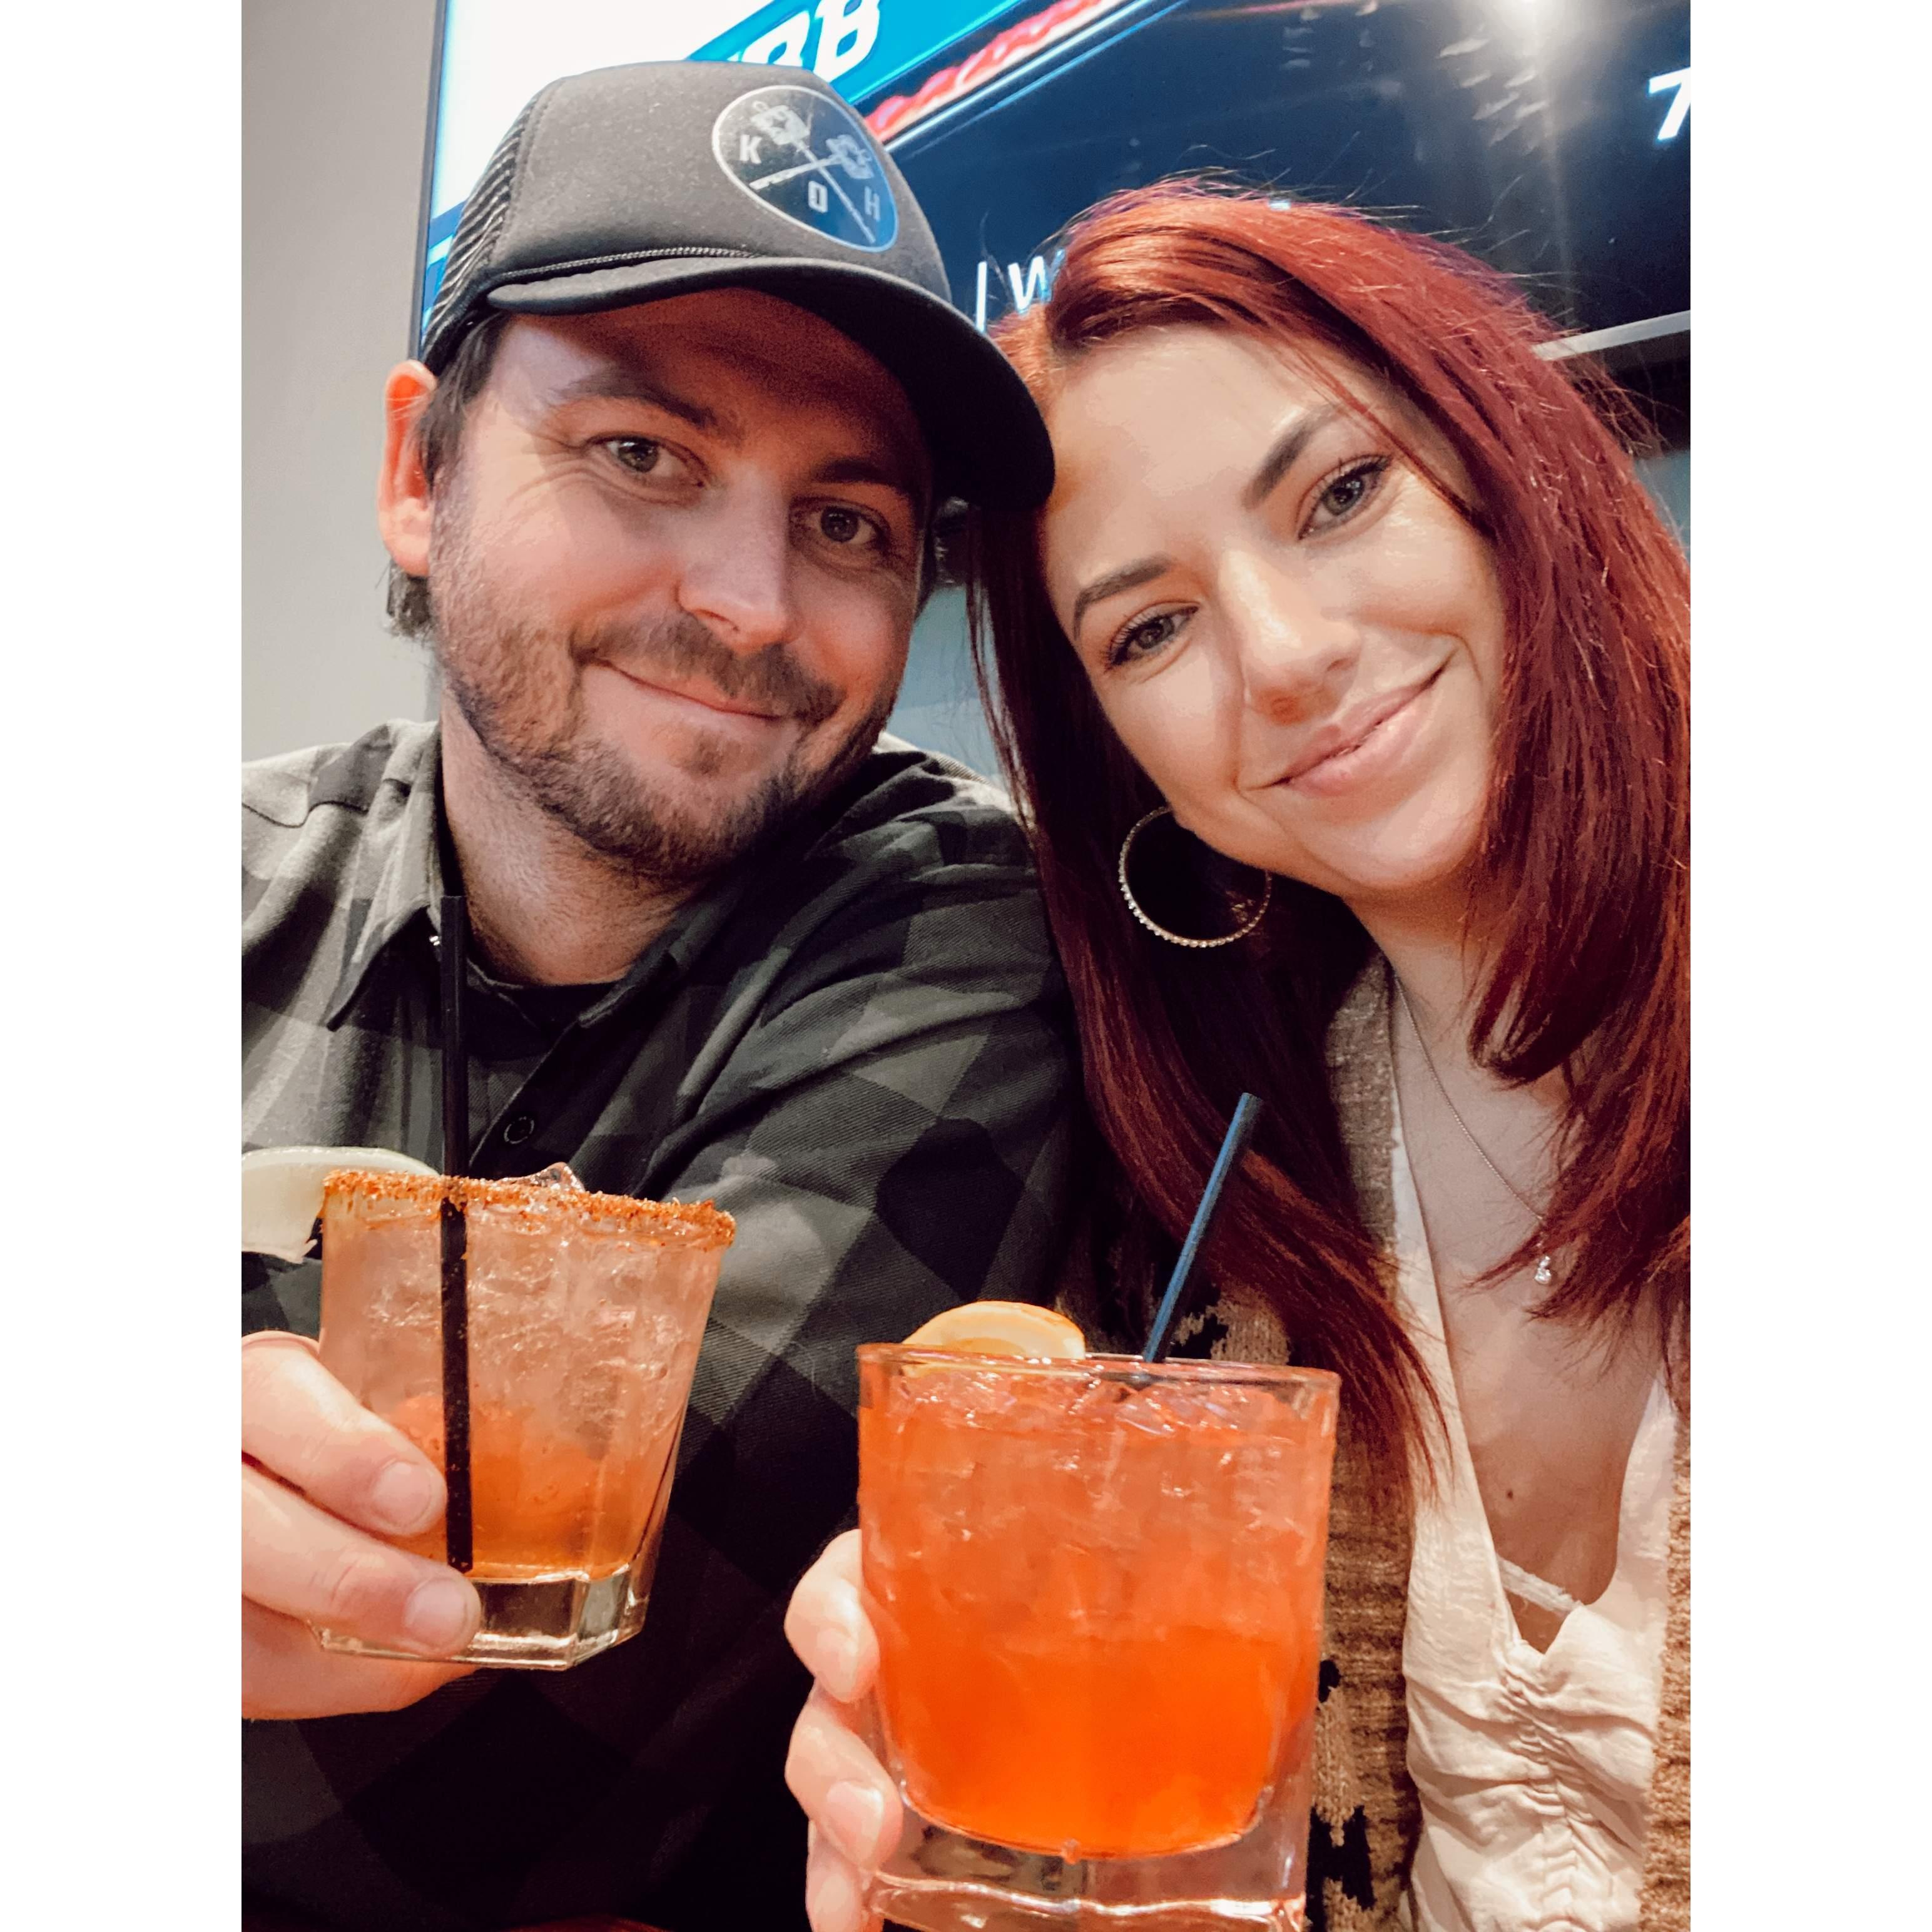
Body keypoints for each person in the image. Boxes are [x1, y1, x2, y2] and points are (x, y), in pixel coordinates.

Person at [782, 184, 1689, 1932]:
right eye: (1150, 629)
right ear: (1120, 756)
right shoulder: (1236, 1202)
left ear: (1504, 469)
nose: (1286, 657)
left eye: (1340, 496)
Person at [242, 61, 1075, 1932]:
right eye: (641, 454)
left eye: (849, 523)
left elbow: (456, 1769)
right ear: (419, 475)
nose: (752, 601)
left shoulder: (952, 943)